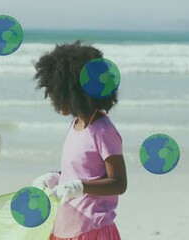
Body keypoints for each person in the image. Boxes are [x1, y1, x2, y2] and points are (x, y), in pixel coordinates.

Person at [31, 41, 127, 240]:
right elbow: (81, 169)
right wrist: (56, 177)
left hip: (91, 228)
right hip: (66, 225)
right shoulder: (76, 124)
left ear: (74, 91)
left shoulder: (103, 130)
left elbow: (119, 183)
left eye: (57, 93)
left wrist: (81, 186)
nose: (54, 100)